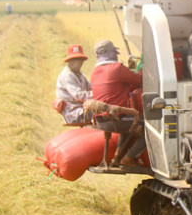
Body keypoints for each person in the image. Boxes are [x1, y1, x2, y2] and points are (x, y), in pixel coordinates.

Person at [90, 40, 145, 169]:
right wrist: (142, 67)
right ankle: (130, 158)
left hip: (101, 120)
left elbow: (118, 86)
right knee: (150, 129)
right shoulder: (117, 68)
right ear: (112, 53)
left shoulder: (95, 72)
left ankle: (117, 158)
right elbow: (139, 79)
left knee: (126, 128)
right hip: (116, 118)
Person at [55, 44, 92, 124]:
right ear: (70, 62)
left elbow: (90, 87)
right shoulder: (67, 76)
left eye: (81, 59)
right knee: (101, 116)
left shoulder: (80, 75)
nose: (80, 62)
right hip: (73, 114)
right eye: (77, 59)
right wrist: (96, 94)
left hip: (82, 109)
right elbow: (79, 95)